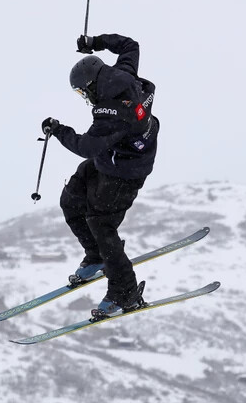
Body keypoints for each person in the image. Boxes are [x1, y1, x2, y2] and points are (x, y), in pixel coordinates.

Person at [41, 33, 159, 317]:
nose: (84, 98)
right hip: (112, 158)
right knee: (71, 200)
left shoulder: (113, 110)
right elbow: (130, 46)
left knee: (100, 224)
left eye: (83, 92)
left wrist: (57, 129)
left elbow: (86, 146)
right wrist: (95, 42)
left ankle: (125, 291)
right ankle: (95, 256)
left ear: (91, 85)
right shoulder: (122, 74)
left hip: (126, 171)